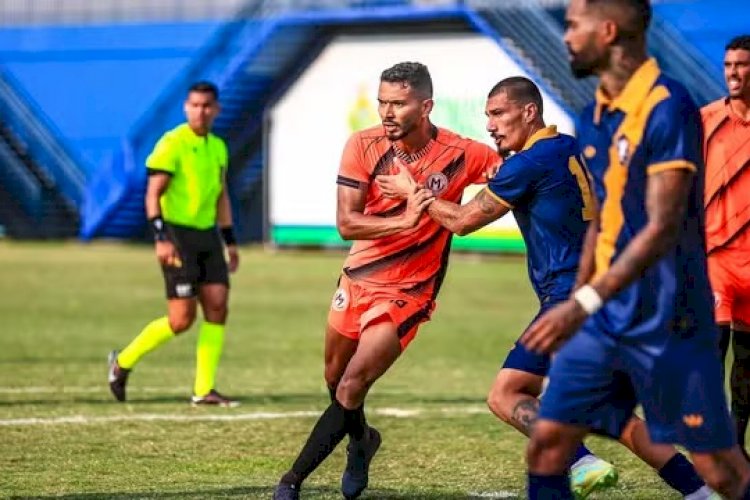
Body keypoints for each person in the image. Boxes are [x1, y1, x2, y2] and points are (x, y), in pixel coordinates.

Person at [379, 75, 718, 500]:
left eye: (498, 114)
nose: (490, 125)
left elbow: (463, 222)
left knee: (507, 394)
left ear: (529, 112)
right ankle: (697, 490)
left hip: (570, 300)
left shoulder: (528, 164)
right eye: (487, 116)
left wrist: (415, 193)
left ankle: (580, 460)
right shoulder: (573, 149)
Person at [520, 0, 750, 498]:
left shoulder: (669, 106)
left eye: (573, 25)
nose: (565, 36)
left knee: (719, 468)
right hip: (604, 315)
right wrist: (577, 304)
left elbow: (662, 226)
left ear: (607, 31)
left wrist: (583, 300)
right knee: (548, 445)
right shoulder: (592, 115)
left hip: (668, 318)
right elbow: (603, 222)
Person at [272, 62, 500, 500]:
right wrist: (406, 219)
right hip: (357, 278)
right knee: (335, 379)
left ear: (426, 106)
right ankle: (363, 441)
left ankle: (291, 481)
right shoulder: (362, 144)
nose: (387, 112)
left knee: (353, 384)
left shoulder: (461, 152)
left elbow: (513, 171)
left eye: (398, 103)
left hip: (409, 291)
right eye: (382, 102)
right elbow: (347, 223)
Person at [107, 81, 240, 407]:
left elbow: (221, 195)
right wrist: (160, 238)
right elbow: (153, 194)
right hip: (177, 236)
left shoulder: (218, 147)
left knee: (218, 306)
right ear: (186, 107)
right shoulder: (172, 143)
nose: (200, 111)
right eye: (194, 105)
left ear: (216, 109)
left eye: (206, 106)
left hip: (207, 235)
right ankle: (122, 362)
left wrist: (230, 241)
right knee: (181, 320)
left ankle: (203, 389)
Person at [702, 34, 750, 459]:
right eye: (729, 65)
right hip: (716, 258)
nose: (733, 73)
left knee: (747, 364)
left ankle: (736, 445)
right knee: (712, 353)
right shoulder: (706, 120)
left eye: (742, 65)